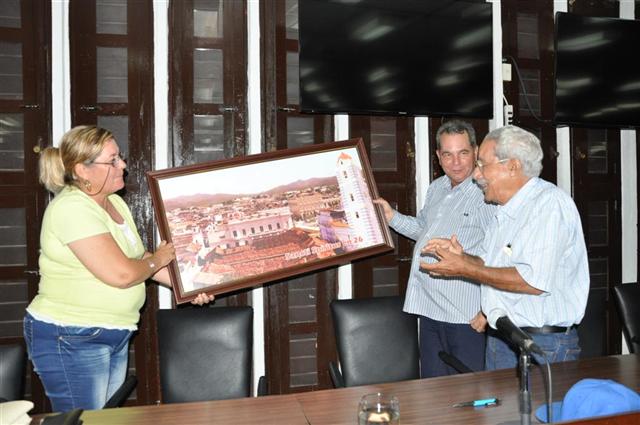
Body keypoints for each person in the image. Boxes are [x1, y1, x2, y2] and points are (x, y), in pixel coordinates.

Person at [23, 125, 213, 412]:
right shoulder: (72, 209)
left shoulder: (114, 203)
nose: (123, 165)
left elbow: (139, 258)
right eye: (112, 160)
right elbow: (123, 274)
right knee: (85, 420)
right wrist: (160, 259)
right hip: (72, 334)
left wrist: (187, 285)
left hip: (110, 332)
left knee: (105, 420)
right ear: (82, 170)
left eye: (119, 157)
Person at [421, 125, 589, 370]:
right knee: (503, 410)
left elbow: (531, 281)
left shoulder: (548, 205)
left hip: (542, 344)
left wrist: (465, 269)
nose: (477, 175)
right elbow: (489, 266)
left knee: (538, 411)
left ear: (512, 166)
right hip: (503, 339)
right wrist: (462, 258)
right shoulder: (505, 210)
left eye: (482, 165)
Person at [374, 120, 496, 377]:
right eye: (448, 154)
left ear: (475, 151)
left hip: (465, 316)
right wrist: (391, 217)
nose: (456, 162)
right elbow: (425, 231)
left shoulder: (488, 192)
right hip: (428, 309)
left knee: (469, 397)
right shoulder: (437, 188)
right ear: (439, 157)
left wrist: (489, 308)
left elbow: (502, 253)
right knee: (434, 393)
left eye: (463, 153)